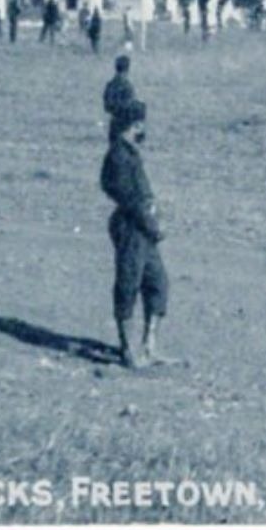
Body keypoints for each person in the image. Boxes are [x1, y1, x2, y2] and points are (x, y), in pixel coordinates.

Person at [100, 100, 166, 368]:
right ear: (135, 124)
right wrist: (152, 225)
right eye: (141, 122)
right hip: (132, 227)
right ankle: (128, 351)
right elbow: (127, 198)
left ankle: (149, 348)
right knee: (128, 284)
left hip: (142, 226)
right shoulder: (118, 155)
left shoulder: (128, 151)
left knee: (158, 283)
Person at [103, 54, 137, 141]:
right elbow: (131, 105)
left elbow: (107, 106)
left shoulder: (110, 85)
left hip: (113, 124)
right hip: (126, 125)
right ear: (128, 69)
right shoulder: (127, 86)